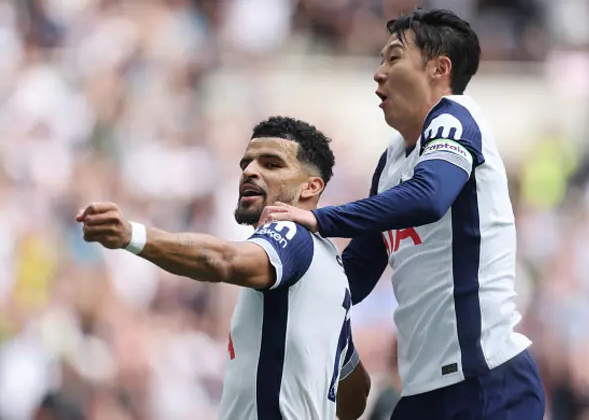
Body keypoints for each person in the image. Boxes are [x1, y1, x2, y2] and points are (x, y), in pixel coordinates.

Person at [258, 9, 546, 420]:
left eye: (393, 58)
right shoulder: (391, 161)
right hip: (422, 392)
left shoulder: (456, 116)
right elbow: (356, 272)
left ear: (439, 68)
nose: (378, 73)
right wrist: (282, 287)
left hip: (487, 382)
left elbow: (430, 197)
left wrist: (323, 219)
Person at [75, 116, 370, 420]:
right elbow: (355, 394)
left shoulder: (292, 235)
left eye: (271, 164)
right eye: (247, 163)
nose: (250, 171)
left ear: (311, 187)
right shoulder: (331, 271)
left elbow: (222, 260)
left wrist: (131, 236)